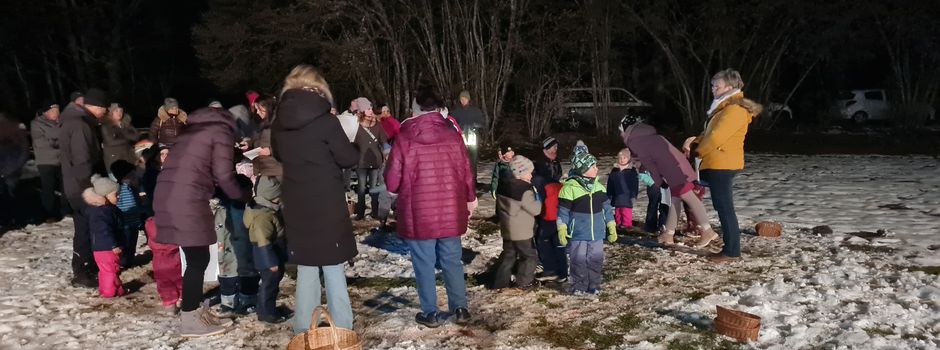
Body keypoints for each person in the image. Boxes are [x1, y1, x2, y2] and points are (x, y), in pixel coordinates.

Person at [270, 65, 359, 334]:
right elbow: (348, 158)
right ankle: (342, 329)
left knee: (307, 266)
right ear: (320, 89)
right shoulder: (327, 121)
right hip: (326, 200)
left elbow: (278, 155)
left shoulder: (279, 122)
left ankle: (303, 330)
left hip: (296, 201)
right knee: (332, 265)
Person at [385, 82, 477, 328]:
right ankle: (460, 307)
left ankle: (431, 312)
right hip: (449, 210)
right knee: (451, 260)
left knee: (424, 263)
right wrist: (470, 197)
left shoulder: (405, 137)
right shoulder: (453, 135)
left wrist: (393, 190)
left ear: (416, 108)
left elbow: (393, 178)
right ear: (439, 107)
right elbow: (466, 172)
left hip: (419, 212)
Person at [153, 106, 250, 337]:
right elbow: (224, 176)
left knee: (196, 258)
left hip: (168, 196)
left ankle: (195, 313)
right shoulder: (221, 133)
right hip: (186, 199)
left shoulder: (191, 131)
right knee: (198, 259)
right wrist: (243, 194)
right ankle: (190, 320)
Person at [682, 69, 760, 263]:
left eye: (717, 85)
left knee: (725, 208)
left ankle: (732, 252)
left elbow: (716, 137)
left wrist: (698, 150)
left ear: (731, 87)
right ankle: (730, 249)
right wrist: (695, 142)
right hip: (718, 162)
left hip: (722, 164)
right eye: (712, 85)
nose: (713, 89)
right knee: (722, 206)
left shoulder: (735, 110)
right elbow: (710, 133)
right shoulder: (725, 107)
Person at [620, 115, 717, 248]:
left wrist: (659, 182)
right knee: (675, 201)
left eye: (621, 130)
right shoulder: (654, 136)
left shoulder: (636, 142)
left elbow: (649, 165)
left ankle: (708, 231)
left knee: (691, 199)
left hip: (674, 172)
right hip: (679, 168)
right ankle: (668, 234)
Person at [60, 88, 110, 288]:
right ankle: (84, 270)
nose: (105, 113)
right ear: (97, 107)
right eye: (104, 109)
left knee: (83, 228)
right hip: (83, 187)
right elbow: (82, 161)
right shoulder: (81, 126)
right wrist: (88, 189)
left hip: (74, 185)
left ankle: (83, 268)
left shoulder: (75, 121)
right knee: (88, 229)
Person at [557, 150, 616, 295]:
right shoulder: (569, 189)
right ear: (583, 170)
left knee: (595, 260)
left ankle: (594, 285)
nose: (597, 168)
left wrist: (611, 225)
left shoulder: (599, 188)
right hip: (578, 233)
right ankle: (579, 287)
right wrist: (562, 228)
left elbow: (607, 209)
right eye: (593, 166)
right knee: (578, 261)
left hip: (597, 233)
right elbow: (563, 212)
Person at [244, 176, 292, 324]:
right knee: (269, 285)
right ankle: (266, 312)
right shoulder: (262, 217)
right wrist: (271, 262)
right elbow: (263, 241)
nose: (280, 200)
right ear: (271, 197)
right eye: (278, 197)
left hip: (273, 252)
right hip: (267, 256)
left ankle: (268, 308)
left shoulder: (267, 211)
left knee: (272, 284)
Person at [493, 155, 541, 290]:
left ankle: (500, 283)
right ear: (520, 173)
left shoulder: (503, 187)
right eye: (529, 172)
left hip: (507, 229)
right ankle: (525, 282)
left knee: (508, 256)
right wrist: (539, 200)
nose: (531, 175)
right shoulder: (524, 190)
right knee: (529, 256)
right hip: (522, 232)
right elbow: (535, 210)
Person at [84, 175, 125, 298]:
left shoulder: (102, 210)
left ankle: (112, 288)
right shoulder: (104, 212)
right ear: (105, 196)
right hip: (107, 247)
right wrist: (114, 244)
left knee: (107, 270)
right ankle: (109, 291)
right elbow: (104, 230)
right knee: (110, 271)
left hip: (100, 248)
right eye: (115, 194)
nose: (118, 196)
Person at [31, 101, 69, 222]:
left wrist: (54, 138)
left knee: (66, 187)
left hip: (62, 160)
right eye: (53, 111)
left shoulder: (62, 121)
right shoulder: (37, 123)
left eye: (57, 110)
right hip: (45, 161)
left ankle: (66, 211)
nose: (56, 113)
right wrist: (59, 140)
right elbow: (41, 143)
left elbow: (67, 136)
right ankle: (49, 214)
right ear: (46, 112)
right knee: (49, 189)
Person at [353, 101, 389, 220]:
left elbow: (383, 140)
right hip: (361, 161)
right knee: (361, 188)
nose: (370, 112)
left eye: (371, 109)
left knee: (373, 187)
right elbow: (352, 142)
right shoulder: (355, 125)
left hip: (375, 160)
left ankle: (374, 211)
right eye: (368, 110)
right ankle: (360, 212)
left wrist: (386, 151)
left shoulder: (378, 125)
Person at [144, 217, 182, 314]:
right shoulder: (174, 225)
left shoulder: (151, 225)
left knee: (164, 284)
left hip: (159, 264)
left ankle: (170, 303)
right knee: (180, 281)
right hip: (175, 262)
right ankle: (181, 298)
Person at [110, 160, 143, 267]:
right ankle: (124, 262)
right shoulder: (126, 188)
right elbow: (132, 206)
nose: (135, 176)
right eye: (132, 174)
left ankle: (128, 260)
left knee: (130, 243)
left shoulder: (127, 187)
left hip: (131, 223)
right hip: (127, 224)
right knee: (127, 244)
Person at [0, 113, 29, 230]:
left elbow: (22, 150)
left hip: (10, 168)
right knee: (9, 194)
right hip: (10, 168)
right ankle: (10, 219)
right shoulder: (13, 128)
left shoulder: (11, 131)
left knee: (10, 195)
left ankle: (12, 219)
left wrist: (10, 169)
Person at [450, 91, 485, 185]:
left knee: (472, 161)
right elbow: (451, 123)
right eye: (461, 99)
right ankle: (462, 181)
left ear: (468, 99)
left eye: (464, 98)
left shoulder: (476, 111)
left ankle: (473, 181)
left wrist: (473, 125)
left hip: (473, 139)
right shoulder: (456, 111)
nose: (462, 100)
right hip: (461, 140)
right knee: (461, 161)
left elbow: (482, 123)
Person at [607, 149, 640, 229]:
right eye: (620, 158)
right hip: (617, 195)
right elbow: (610, 183)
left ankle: (627, 226)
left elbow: (635, 184)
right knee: (618, 212)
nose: (622, 160)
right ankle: (618, 225)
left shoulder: (632, 170)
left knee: (626, 212)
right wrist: (609, 194)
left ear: (628, 158)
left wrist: (633, 195)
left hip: (627, 196)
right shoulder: (615, 170)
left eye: (624, 158)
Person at [101, 103, 138, 173]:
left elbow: (136, 136)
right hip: (114, 160)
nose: (119, 113)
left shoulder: (126, 123)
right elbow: (111, 141)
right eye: (116, 111)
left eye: (121, 111)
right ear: (111, 112)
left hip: (129, 158)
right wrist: (127, 138)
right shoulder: (106, 126)